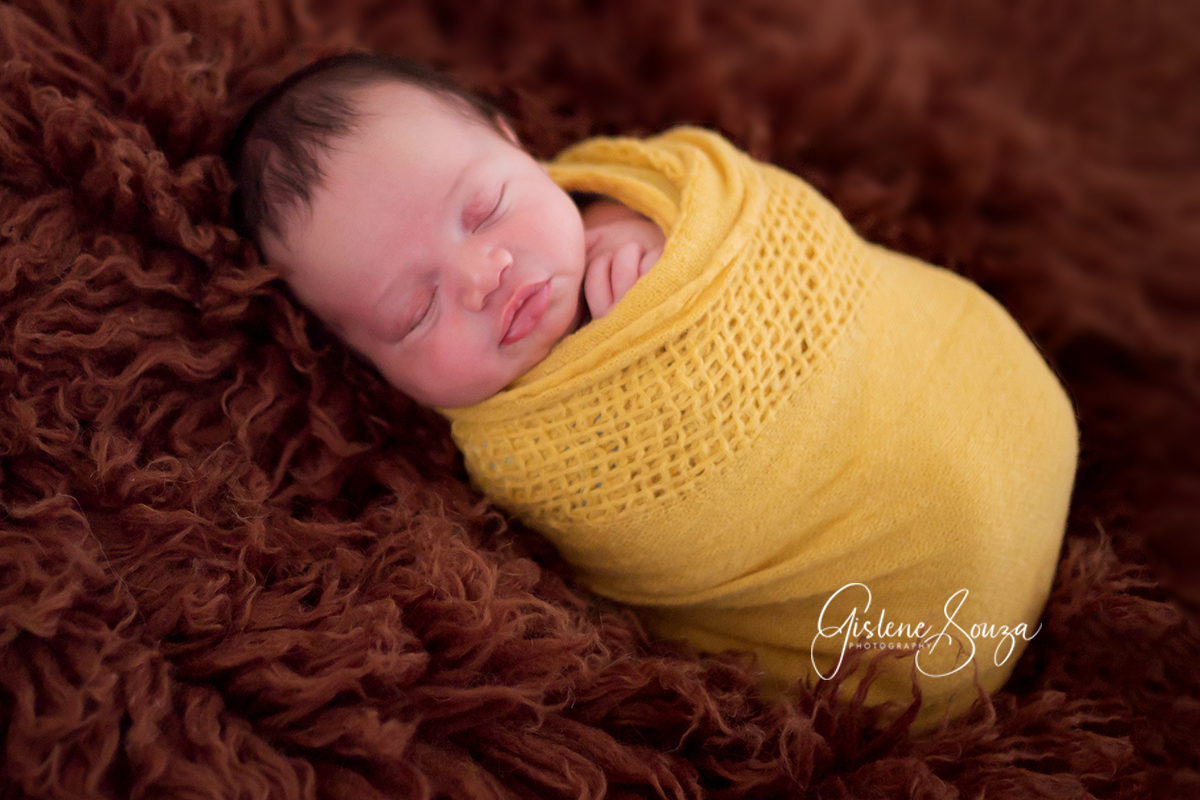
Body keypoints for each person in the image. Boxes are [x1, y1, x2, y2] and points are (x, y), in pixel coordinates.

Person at [226, 53, 1079, 731]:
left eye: (485, 208)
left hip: (965, 390)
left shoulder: (645, 200)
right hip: (904, 629)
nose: (484, 275)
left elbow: (754, 227)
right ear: (371, 365)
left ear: (514, 141)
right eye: (415, 310)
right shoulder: (504, 459)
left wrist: (645, 229)